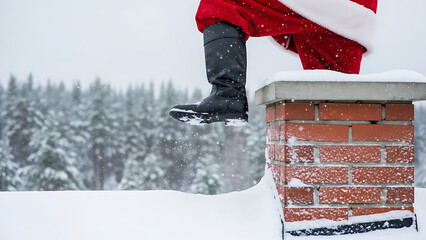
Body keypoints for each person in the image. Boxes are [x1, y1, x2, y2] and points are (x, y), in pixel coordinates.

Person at [169, 0, 378, 126]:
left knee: (222, 4)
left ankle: (228, 94)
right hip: (354, 11)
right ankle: (343, 184)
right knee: (337, 110)